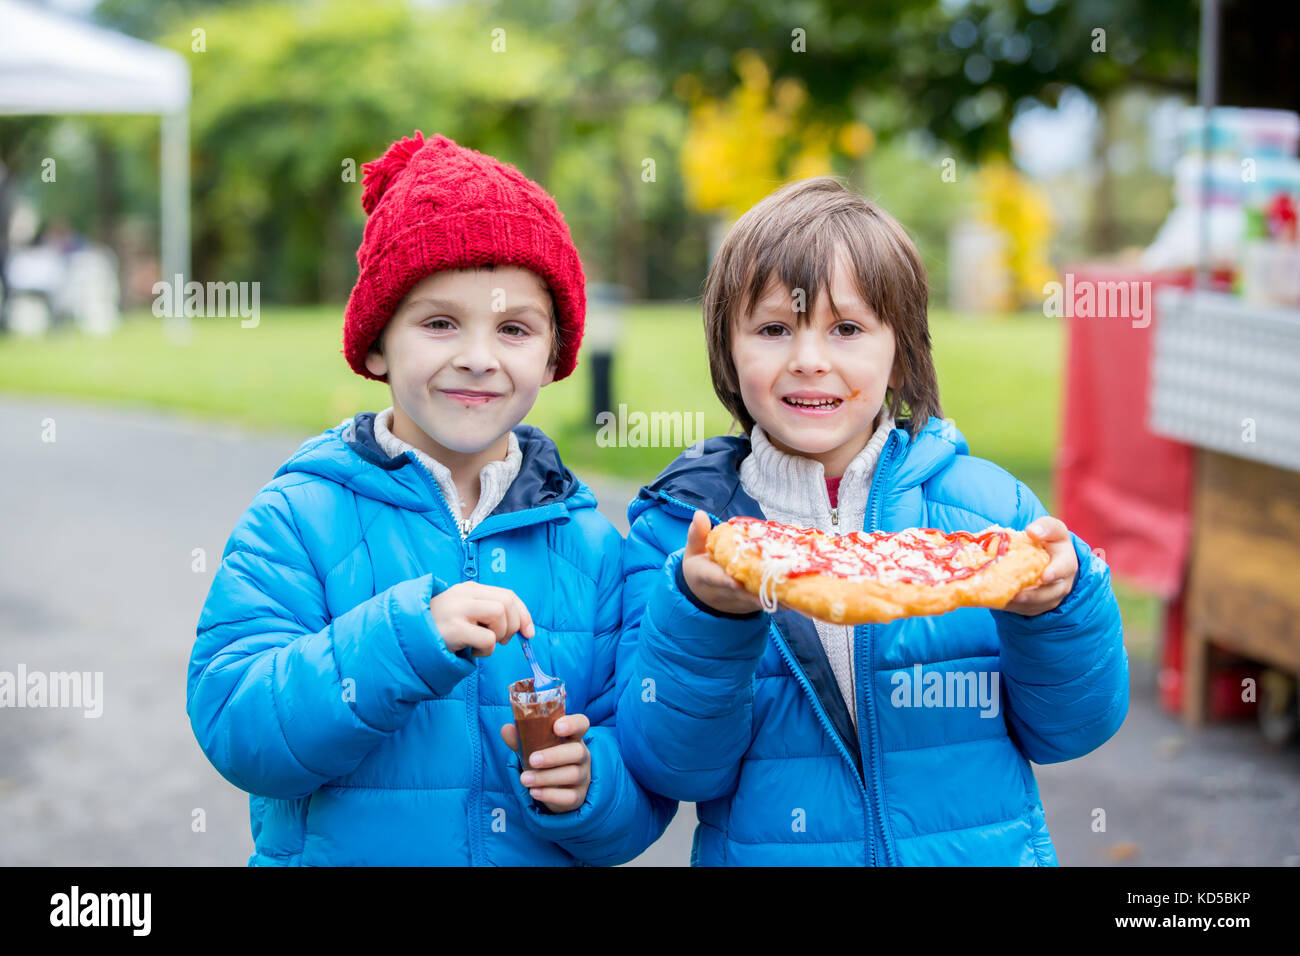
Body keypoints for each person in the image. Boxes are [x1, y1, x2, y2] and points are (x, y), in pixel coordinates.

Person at [188, 131, 674, 865]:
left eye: (513, 328)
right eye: (440, 322)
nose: (478, 356)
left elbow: (641, 779)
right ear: (378, 344)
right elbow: (239, 728)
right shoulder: (299, 517)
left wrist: (590, 787)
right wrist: (403, 639)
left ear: (552, 357)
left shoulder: (593, 547)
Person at [616, 176, 1129, 866]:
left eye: (847, 329)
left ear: (901, 355)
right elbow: (675, 767)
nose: (808, 360)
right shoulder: (684, 536)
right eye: (772, 329)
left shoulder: (988, 516)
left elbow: (1072, 728)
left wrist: (1061, 609)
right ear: (728, 356)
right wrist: (708, 619)